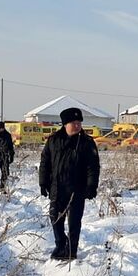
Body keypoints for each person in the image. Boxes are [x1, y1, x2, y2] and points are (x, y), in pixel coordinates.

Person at [39, 108, 100, 260]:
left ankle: (71, 251)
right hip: (57, 187)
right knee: (55, 218)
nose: (77, 126)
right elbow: (45, 162)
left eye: (79, 123)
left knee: (74, 222)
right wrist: (43, 182)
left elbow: (93, 166)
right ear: (65, 124)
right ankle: (61, 245)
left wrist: (92, 186)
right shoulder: (53, 140)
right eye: (74, 123)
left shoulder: (87, 142)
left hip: (77, 189)